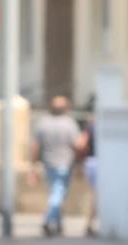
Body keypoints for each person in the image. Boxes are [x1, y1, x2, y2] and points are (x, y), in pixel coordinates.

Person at [29, 96, 82, 237]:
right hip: (64, 163)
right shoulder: (69, 123)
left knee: (55, 192)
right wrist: (79, 163)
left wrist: (33, 166)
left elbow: (35, 146)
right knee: (58, 193)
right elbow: (77, 145)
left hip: (49, 163)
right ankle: (48, 220)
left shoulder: (43, 122)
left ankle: (58, 224)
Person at [77, 114, 98, 236]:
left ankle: (90, 223)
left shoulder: (90, 127)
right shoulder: (95, 126)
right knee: (95, 195)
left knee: (94, 194)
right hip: (96, 162)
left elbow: (81, 144)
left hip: (90, 162)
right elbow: (81, 143)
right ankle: (90, 224)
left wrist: (79, 162)